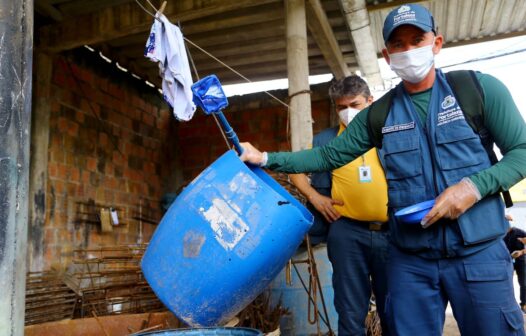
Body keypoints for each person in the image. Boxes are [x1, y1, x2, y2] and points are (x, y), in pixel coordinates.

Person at [240, 3, 526, 335]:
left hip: (478, 253)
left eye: (417, 40)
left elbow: (521, 152)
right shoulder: (381, 113)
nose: (409, 51)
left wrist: (473, 188)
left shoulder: (477, 90)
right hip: (412, 258)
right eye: (398, 45)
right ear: (387, 55)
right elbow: (327, 157)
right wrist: (265, 158)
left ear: (436, 43)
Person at [289, 75, 390, 335]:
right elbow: (295, 171)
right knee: (349, 308)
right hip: (347, 233)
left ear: (370, 101)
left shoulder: (388, 133)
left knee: (395, 306)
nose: (348, 112)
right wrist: (315, 196)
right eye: (341, 107)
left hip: (392, 232)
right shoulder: (327, 140)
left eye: (355, 105)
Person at [504, 215, 526, 313]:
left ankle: (524, 304)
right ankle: (509, 306)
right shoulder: (498, 235)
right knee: (507, 284)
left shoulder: (519, 232)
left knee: (524, 283)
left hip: (521, 260)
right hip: (507, 261)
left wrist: (522, 252)